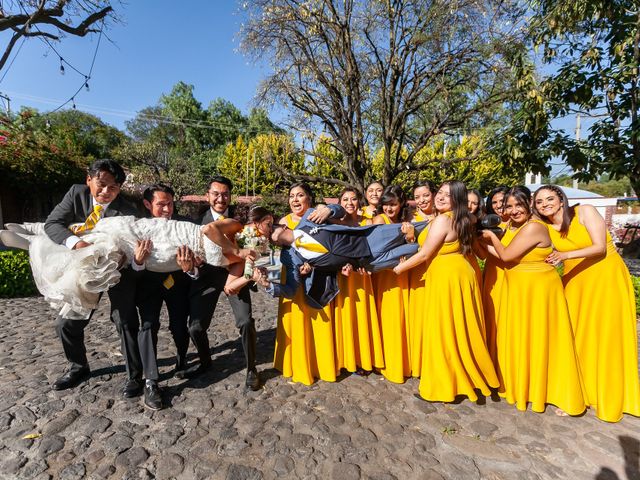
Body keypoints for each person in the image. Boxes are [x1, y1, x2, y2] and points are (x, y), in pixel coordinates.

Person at [533, 185, 640, 422]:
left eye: (550, 198)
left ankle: (608, 394)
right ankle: (579, 392)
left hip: (604, 276)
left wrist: (564, 256)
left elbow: (599, 247)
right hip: (574, 281)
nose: (545, 204)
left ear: (562, 199)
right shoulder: (545, 228)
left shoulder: (585, 211)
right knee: (576, 335)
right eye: (539, 202)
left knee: (607, 336)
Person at [481, 186, 586, 415]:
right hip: (519, 288)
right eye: (509, 206)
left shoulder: (534, 228)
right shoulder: (510, 225)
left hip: (538, 289)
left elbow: (507, 255)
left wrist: (489, 237)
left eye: (519, 205)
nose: (514, 210)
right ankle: (522, 385)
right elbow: (499, 254)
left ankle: (556, 392)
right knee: (523, 338)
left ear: (528, 204)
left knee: (542, 339)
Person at [393, 180, 499, 403]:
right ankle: (464, 378)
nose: (440, 197)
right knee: (459, 327)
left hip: (446, 276)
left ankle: (441, 387)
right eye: (439, 193)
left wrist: (399, 267)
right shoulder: (466, 218)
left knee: (442, 329)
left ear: (457, 199)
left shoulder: (443, 220)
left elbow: (424, 255)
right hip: (462, 273)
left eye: (447, 195)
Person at [40, 159, 139, 391]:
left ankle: (135, 374)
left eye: (113, 187)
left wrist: (125, 256)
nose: (106, 191)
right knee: (66, 323)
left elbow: (134, 242)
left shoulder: (127, 210)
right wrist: (76, 243)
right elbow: (52, 223)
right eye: (101, 184)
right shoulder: (76, 194)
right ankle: (78, 367)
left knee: (124, 319)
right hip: (82, 266)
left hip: (117, 269)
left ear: (120, 189)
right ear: (89, 180)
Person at [121, 184, 195, 409]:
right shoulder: (137, 229)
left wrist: (189, 267)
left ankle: (182, 359)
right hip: (149, 284)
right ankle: (150, 380)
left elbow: (198, 261)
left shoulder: (183, 227)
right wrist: (139, 261)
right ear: (147, 204)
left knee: (180, 324)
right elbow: (131, 268)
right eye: (160, 204)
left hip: (176, 281)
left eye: (170, 204)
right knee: (148, 325)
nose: (166, 209)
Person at [186, 176, 262, 390]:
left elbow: (254, 245)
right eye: (216, 193)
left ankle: (251, 369)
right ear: (207, 195)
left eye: (225, 193)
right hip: (207, 276)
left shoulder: (241, 220)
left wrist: (252, 256)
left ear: (230, 195)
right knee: (195, 327)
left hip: (236, 275)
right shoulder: (195, 221)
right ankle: (205, 361)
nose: (221, 198)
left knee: (246, 322)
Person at [271, 182, 340, 385]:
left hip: (319, 275)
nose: (295, 200)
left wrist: (313, 264)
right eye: (292, 196)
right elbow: (281, 249)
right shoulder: (283, 221)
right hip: (292, 274)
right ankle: (296, 363)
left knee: (319, 318)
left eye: (300, 195)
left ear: (309, 198)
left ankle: (322, 364)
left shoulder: (317, 216)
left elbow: (327, 244)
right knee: (296, 318)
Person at [332, 188, 383, 375]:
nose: (349, 203)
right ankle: (345, 359)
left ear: (359, 202)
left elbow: (375, 248)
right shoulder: (334, 223)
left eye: (353, 199)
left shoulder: (367, 222)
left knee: (362, 317)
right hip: (342, 277)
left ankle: (363, 358)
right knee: (345, 315)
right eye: (345, 199)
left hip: (361, 276)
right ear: (339, 203)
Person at [372, 185, 414, 383]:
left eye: (393, 204)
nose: (389, 208)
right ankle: (391, 361)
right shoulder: (380, 220)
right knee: (389, 316)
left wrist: (410, 237)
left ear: (400, 205)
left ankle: (403, 360)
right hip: (386, 274)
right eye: (386, 204)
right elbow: (377, 248)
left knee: (402, 317)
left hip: (402, 272)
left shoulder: (406, 221)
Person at [407, 180, 436, 377]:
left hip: (439, 270)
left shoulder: (444, 216)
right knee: (418, 317)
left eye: (425, 195)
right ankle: (418, 362)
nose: (421, 200)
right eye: (417, 197)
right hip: (417, 271)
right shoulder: (410, 218)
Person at [481, 185, 510, 362]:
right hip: (495, 273)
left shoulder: (519, 222)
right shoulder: (489, 223)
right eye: (495, 202)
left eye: (502, 201)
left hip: (513, 273)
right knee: (493, 317)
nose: (499, 205)